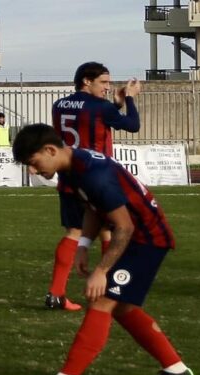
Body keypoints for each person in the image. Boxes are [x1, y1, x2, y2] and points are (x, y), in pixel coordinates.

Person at [13, 123, 194, 375]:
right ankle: (176, 370)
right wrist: (84, 245)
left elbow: (124, 227)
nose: (32, 171)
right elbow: (93, 209)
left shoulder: (93, 173)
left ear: (50, 150)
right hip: (138, 236)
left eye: (33, 162)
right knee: (122, 308)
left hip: (146, 239)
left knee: (102, 302)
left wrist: (102, 270)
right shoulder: (73, 168)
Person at [45, 62, 142, 311]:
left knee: (75, 232)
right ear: (86, 81)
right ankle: (113, 290)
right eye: (104, 82)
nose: (108, 88)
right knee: (111, 230)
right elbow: (132, 125)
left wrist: (115, 104)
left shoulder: (60, 105)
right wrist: (129, 99)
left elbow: (94, 116)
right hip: (96, 178)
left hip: (68, 178)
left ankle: (56, 294)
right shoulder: (99, 107)